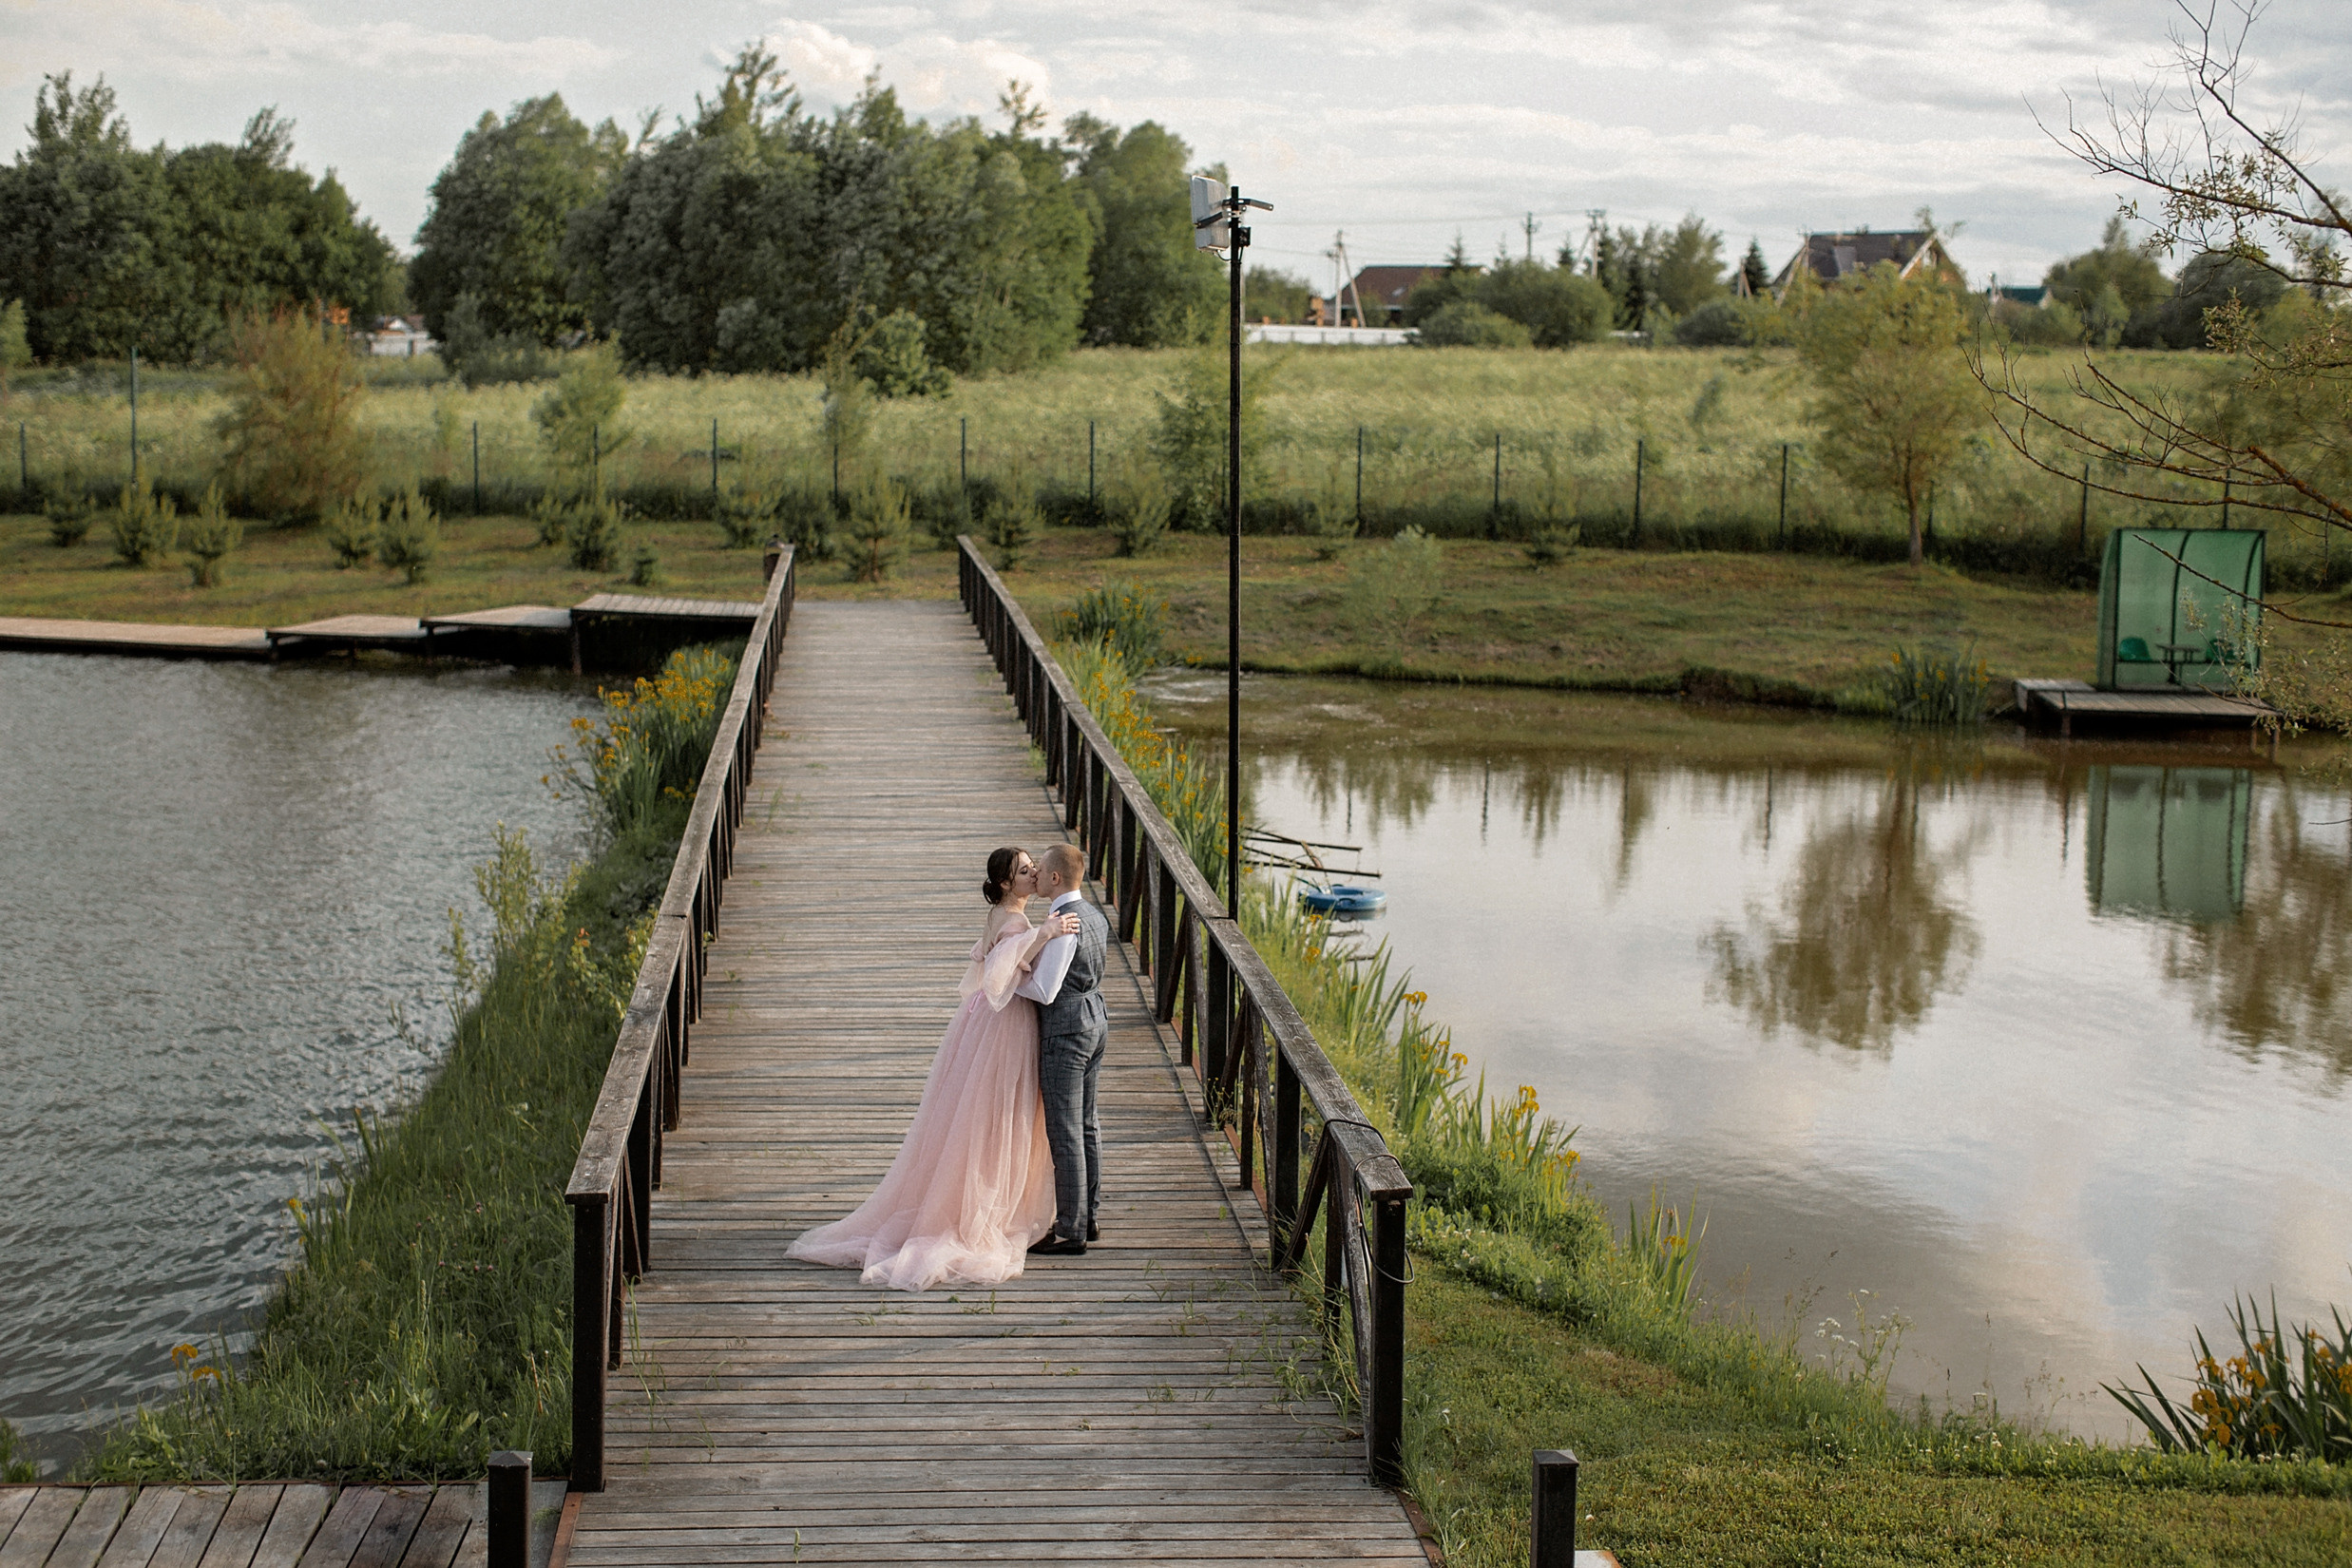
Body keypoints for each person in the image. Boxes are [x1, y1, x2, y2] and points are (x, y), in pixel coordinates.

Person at [785, 847, 1081, 1291]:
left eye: (1034, 867)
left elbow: (992, 959)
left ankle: (983, 1200)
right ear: (1006, 884)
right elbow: (999, 974)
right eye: (1025, 870)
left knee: (976, 1110)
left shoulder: (1002, 915)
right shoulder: (1019, 923)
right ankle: (984, 1209)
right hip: (1006, 1023)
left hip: (980, 1021)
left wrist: (1031, 941)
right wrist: (1045, 933)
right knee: (996, 1114)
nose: (1034, 873)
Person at [1019, 843, 1110, 1256]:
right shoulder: (1093, 915)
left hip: (1067, 1031)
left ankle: (1070, 1229)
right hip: (1095, 1020)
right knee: (1087, 1124)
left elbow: (1044, 990)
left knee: (1066, 1130)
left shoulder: (1063, 923)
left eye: (1040, 869)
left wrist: (1008, 981)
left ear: (1056, 878)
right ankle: (1088, 1216)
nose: (1035, 875)